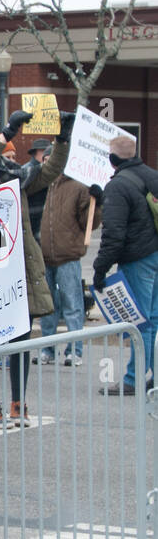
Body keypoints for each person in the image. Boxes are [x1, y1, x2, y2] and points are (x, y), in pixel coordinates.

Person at [0, 111, 70, 424]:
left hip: (19, 269)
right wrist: (9, 129)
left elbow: (49, 170)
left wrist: (62, 138)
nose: (9, 155)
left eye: (11, 152)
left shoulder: (16, 177)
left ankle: (17, 402)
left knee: (21, 339)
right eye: (5, 150)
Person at [92, 133, 158, 395]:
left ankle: (134, 379)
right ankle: (149, 375)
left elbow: (114, 234)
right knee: (151, 319)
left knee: (138, 322)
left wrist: (99, 269)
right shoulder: (152, 176)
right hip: (155, 255)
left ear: (112, 159)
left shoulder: (118, 186)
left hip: (137, 258)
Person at [37, 173, 100, 366]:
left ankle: (74, 350)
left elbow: (91, 222)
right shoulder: (41, 184)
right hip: (43, 255)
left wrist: (97, 204)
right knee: (47, 307)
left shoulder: (79, 187)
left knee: (72, 304)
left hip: (68, 256)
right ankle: (47, 349)